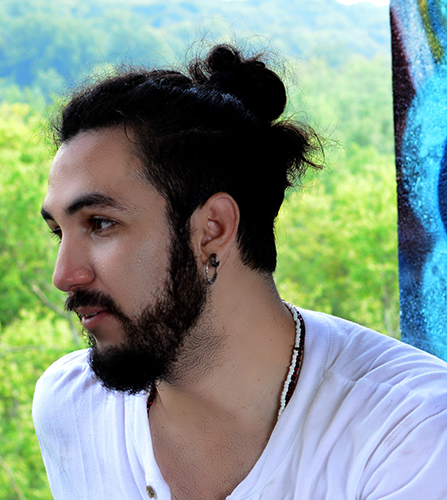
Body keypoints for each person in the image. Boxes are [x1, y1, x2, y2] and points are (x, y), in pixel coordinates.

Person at [33, 43, 447, 500]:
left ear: (212, 229)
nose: (64, 275)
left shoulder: (412, 434)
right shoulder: (72, 405)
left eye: (100, 224)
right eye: (58, 232)